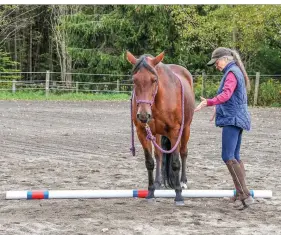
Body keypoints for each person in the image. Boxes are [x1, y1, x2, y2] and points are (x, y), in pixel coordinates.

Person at [195, 47, 254, 209]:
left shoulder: (231, 73)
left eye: (217, 62)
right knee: (234, 155)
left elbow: (227, 94)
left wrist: (209, 102)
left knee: (227, 155)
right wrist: (217, 108)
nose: (216, 65)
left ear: (226, 58)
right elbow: (231, 97)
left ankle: (245, 195)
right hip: (237, 117)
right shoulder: (235, 71)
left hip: (233, 119)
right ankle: (240, 194)